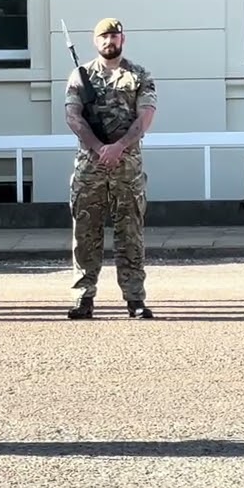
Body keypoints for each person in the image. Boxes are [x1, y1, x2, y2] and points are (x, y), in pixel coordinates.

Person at [64, 18, 157, 319]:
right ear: (95, 41)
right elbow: (73, 116)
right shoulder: (81, 76)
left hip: (127, 167)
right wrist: (98, 147)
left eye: (114, 36)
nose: (109, 41)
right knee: (85, 233)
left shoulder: (139, 75)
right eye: (103, 37)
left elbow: (145, 117)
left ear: (122, 39)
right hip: (90, 167)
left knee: (130, 233)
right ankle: (83, 297)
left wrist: (119, 147)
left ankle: (134, 299)